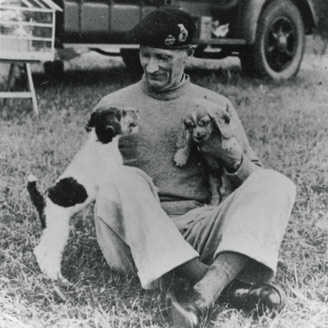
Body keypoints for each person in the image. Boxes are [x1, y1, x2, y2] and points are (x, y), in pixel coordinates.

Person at [92, 8, 296, 328]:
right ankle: (217, 284)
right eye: (145, 55)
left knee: (276, 184)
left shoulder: (214, 106)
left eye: (163, 57)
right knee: (120, 179)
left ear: (188, 53)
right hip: (138, 237)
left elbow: (254, 182)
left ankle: (201, 294)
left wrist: (231, 158)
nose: (151, 66)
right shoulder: (112, 106)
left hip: (199, 232)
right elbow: (93, 182)